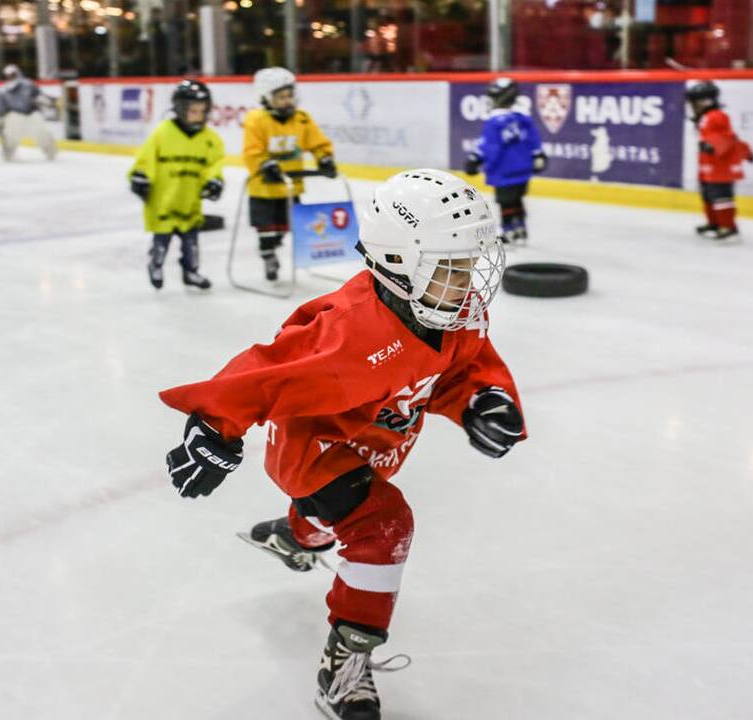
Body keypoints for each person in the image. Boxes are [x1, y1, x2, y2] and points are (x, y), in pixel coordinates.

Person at [159, 169, 526, 720]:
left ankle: (298, 536)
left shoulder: (446, 311)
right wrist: (214, 426)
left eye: (470, 263)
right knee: (382, 527)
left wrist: (482, 400)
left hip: (375, 443)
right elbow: (268, 370)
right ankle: (343, 669)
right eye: (453, 267)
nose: (470, 279)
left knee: (338, 519)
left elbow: (462, 368)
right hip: (314, 446)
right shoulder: (352, 331)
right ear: (399, 264)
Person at [129, 79, 225, 290]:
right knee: (161, 240)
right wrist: (140, 176)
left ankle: (191, 272)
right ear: (181, 109)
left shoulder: (211, 139)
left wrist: (214, 181)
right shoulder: (163, 132)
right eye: (193, 110)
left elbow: (214, 165)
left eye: (203, 110)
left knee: (191, 243)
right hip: (163, 202)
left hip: (189, 202)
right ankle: (155, 264)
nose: (198, 115)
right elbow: (146, 159)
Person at [242, 67, 336, 281]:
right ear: (266, 97)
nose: (287, 101)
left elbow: (318, 143)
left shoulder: (302, 119)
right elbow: (252, 151)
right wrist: (265, 164)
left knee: (285, 228)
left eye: (289, 95)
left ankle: (273, 247)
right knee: (267, 230)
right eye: (280, 97)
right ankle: (268, 254)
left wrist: (324, 158)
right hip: (264, 189)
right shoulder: (256, 120)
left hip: (290, 186)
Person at [464, 77, 546, 244]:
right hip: (523, 169)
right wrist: (538, 156)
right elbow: (534, 141)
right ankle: (521, 228)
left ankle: (508, 230)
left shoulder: (494, 122)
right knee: (516, 199)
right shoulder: (523, 118)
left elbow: (489, 146)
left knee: (505, 203)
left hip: (504, 170)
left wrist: (475, 160)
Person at [685, 81, 753, 241]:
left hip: (721, 165)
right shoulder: (704, 118)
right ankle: (714, 222)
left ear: (705, 101)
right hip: (708, 164)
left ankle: (728, 226)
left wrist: (714, 147)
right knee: (708, 194)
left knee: (721, 196)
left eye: (695, 102)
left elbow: (729, 137)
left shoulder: (717, 116)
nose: (692, 106)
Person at [0, 64, 57, 161]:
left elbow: (39, 96)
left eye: (13, 74)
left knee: (42, 135)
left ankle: (51, 154)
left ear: (18, 73)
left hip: (32, 114)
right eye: (9, 75)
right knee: (10, 137)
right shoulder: (2, 90)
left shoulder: (28, 84)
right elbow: (0, 108)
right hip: (15, 116)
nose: (11, 77)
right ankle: (8, 156)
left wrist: (49, 102)